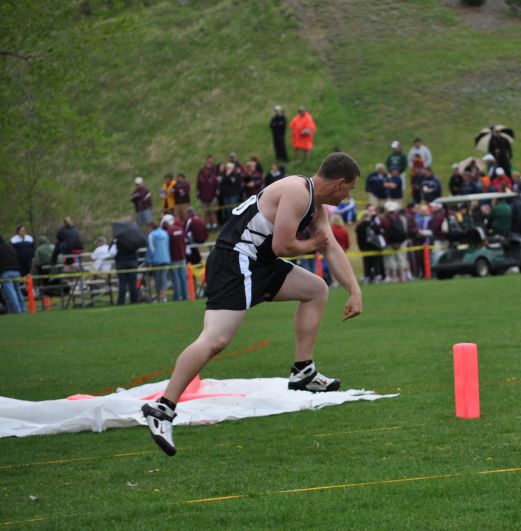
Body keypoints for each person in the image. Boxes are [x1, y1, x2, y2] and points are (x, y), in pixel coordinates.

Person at [141, 153, 363, 456]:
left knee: (316, 290)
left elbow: (331, 247)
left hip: (258, 261)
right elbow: (283, 245)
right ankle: (162, 408)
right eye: (349, 188)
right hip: (236, 259)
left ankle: (304, 371)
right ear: (339, 183)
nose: (349, 195)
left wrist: (354, 290)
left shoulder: (316, 204)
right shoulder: (298, 192)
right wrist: (313, 244)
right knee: (215, 339)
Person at [163, 214, 188, 302]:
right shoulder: (180, 230)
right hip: (182, 257)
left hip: (173, 258)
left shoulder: (168, 233)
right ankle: (185, 296)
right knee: (183, 278)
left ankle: (177, 297)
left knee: (176, 279)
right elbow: (185, 242)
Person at [146, 220, 170, 303]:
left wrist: (148, 260)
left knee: (157, 279)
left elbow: (151, 249)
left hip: (156, 260)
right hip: (166, 259)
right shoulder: (165, 233)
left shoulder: (151, 235)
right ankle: (164, 297)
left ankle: (159, 297)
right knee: (164, 278)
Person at [0, 235, 26, 313]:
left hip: (5, 272)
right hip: (16, 271)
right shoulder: (10, 247)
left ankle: (17, 311)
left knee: (11, 293)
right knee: (18, 291)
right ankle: (23, 309)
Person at [196, 155, 219, 230]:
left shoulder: (213, 177)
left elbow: (217, 186)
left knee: (212, 212)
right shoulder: (201, 177)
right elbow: (198, 185)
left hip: (212, 197)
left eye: (208, 169)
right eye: (206, 169)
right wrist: (198, 194)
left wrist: (215, 195)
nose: (207, 170)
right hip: (203, 198)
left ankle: (214, 225)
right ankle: (208, 225)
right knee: (206, 212)